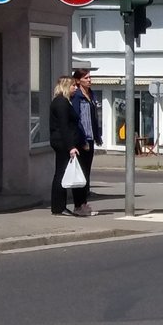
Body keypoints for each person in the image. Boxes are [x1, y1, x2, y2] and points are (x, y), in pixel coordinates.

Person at [70, 68, 102, 216]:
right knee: (80, 173)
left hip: (90, 137)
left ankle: (83, 203)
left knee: (86, 173)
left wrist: (97, 135)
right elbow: (76, 119)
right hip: (81, 139)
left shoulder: (91, 94)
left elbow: (94, 117)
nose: (89, 80)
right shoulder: (77, 96)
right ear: (78, 80)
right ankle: (78, 205)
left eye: (90, 77)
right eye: (86, 78)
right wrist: (81, 140)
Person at [49, 76, 82, 216]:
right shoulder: (61, 102)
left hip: (63, 141)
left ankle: (59, 206)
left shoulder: (63, 101)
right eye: (73, 86)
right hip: (62, 142)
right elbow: (64, 126)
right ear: (66, 86)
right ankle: (58, 206)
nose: (76, 88)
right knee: (61, 174)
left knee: (61, 173)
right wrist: (71, 147)